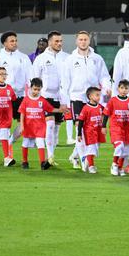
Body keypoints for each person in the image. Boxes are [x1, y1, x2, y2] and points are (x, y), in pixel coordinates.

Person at [62, 31, 112, 168]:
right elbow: (65, 82)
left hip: (94, 99)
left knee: (91, 130)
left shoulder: (97, 58)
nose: (83, 42)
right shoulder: (70, 60)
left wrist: (107, 87)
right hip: (77, 98)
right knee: (80, 127)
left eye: (86, 39)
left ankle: (74, 156)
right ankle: (85, 160)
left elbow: (104, 76)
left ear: (89, 41)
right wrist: (65, 101)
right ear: (76, 41)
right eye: (81, 39)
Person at [32, 30, 69, 165]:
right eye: (56, 41)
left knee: (57, 130)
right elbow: (34, 78)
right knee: (51, 125)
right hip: (46, 97)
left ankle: (51, 156)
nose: (59, 43)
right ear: (50, 42)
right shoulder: (41, 58)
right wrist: (35, 97)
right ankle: (50, 157)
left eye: (61, 41)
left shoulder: (67, 57)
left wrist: (66, 99)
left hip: (61, 98)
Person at [0, 31, 32, 140]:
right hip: (3, 96)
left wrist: (31, 93)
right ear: (4, 43)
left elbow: (30, 76)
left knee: (24, 121)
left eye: (16, 40)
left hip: (19, 95)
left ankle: (11, 141)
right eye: (11, 41)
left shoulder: (24, 58)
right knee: (0, 121)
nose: (14, 43)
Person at [18, 77, 56, 170]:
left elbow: (51, 109)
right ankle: (24, 161)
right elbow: (22, 113)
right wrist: (22, 125)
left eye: (38, 89)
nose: (36, 91)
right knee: (25, 143)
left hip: (39, 126)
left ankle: (42, 163)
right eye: (35, 89)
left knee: (41, 143)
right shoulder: (26, 100)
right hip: (28, 126)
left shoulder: (42, 100)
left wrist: (61, 110)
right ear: (30, 88)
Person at [105, 79, 129, 176]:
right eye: (122, 88)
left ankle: (120, 167)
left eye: (126, 88)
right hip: (116, 127)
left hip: (126, 128)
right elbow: (106, 113)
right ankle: (114, 164)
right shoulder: (113, 100)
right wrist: (103, 126)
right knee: (119, 146)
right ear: (118, 88)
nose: (124, 90)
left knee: (126, 151)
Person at [76, 86, 105, 175]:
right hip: (89, 132)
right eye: (97, 95)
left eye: (99, 95)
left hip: (98, 131)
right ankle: (91, 166)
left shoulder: (100, 107)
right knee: (91, 149)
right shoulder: (86, 108)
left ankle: (86, 165)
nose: (99, 97)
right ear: (90, 96)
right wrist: (79, 133)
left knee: (95, 150)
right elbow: (81, 121)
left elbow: (106, 114)